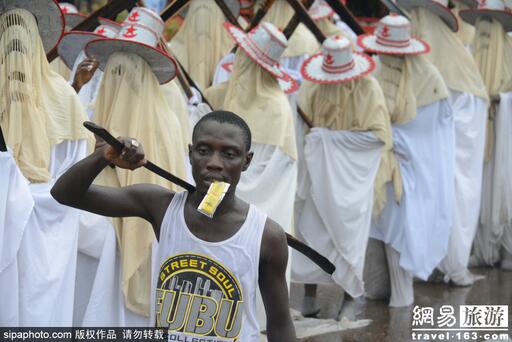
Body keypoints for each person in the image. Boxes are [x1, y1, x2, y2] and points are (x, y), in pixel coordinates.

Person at [51, 110, 296, 342]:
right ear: (190, 154)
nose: (214, 163)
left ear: (247, 160)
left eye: (229, 154)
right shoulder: (161, 206)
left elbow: (280, 323)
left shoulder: (266, 235)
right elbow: (65, 194)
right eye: (203, 150)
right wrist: (103, 157)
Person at [84, 7, 187, 317]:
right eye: (113, 74)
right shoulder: (98, 119)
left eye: (126, 75)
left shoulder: (164, 122)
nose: (117, 84)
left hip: (144, 234)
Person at [358, 14, 456, 307]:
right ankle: (381, 290)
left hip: (411, 173)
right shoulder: (377, 72)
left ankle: (402, 300)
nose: (388, 58)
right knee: (379, 227)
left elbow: (427, 136)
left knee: (400, 230)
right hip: (380, 169)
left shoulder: (430, 83)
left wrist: (390, 138)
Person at [291, 35, 391, 316]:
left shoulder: (369, 89)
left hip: (352, 178)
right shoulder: (312, 85)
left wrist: (331, 141)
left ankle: (350, 298)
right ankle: (309, 297)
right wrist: (317, 143)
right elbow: (303, 129)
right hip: (317, 176)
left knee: (349, 239)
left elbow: (378, 137)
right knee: (310, 234)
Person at [399, 0, 489, 286]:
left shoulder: (458, 71)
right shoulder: (421, 67)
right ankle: (430, 261)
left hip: (453, 159)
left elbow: (463, 126)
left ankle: (451, 262)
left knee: (456, 196)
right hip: (431, 156)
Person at [459, 0, 512, 269]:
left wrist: (501, 100)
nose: (484, 34)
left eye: (489, 27)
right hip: (478, 136)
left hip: (506, 139)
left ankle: (507, 251)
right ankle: (481, 248)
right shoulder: (468, 57)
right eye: (480, 27)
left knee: (505, 188)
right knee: (476, 189)